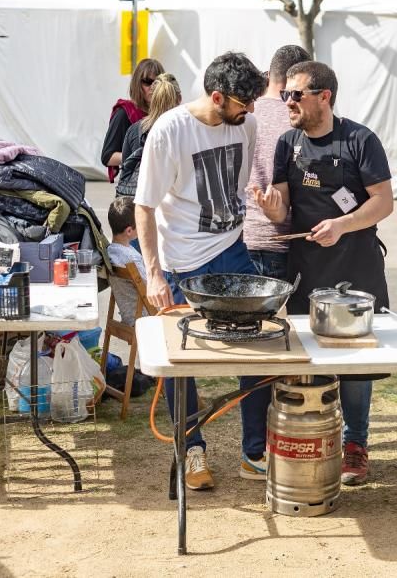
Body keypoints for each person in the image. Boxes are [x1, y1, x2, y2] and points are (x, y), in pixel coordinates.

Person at [252, 60, 393, 486]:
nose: (287, 102)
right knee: (307, 358)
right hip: (307, 270)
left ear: (324, 96)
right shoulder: (286, 142)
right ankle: (312, 439)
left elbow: (384, 202)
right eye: (285, 95)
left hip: (356, 267)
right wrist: (272, 206)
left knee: (354, 365)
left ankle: (355, 444)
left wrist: (342, 225)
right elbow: (282, 197)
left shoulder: (359, 140)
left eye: (296, 95)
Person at [134, 51, 268, 490]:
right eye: (241, 105)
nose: (249, 113)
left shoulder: (244, 124)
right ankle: (192, 450)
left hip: (232, 249)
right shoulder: (169, 131)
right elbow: (145, 206)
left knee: (263, 346)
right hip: (182, 262)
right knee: (181, 362)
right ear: (216, 96)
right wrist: (154, 273)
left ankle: (255, 452)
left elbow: (243, 182)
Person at [243, 45, 311, 281]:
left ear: (270, 74)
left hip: (241, 238)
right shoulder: (298, 118)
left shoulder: (243, 114)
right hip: (284, 240)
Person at [116, 73, 182, 199]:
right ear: (179, 98)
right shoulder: (185, 130)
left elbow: (126, 168)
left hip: (139, 201)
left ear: (151, 98)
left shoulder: (135, 130)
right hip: (173, 206)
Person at [101, 57, 164, 182]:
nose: (153, 87)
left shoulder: (166, 112)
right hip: (134, 187)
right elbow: (107, 157)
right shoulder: (125, 113)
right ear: (137, 83)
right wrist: (140, 155)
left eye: (157, 83)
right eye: (147, 82)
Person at [105, 196, 147, 324]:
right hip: (145, 317)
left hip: (127, 315)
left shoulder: (109, 252)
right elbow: (149, 289)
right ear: (129, 231)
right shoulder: (131, 258)